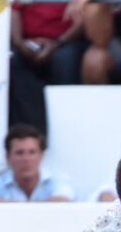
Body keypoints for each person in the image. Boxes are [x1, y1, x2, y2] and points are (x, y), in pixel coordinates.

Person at [8, 0, 88, 139]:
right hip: (29, 43)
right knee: (13, 61)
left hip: (65, 42)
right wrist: (20, 42)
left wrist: (58, 43)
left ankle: (67, 124)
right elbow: (15, 12)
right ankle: (27, 130)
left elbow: (81, 21)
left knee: (66, 59)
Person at [0, 124, 75, 202]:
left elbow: (63, 200)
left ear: (42, 156)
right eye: (19, 153)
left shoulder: (56, 180)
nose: (26, 159)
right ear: (8, 157)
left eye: (32, 152)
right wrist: (19, 208)